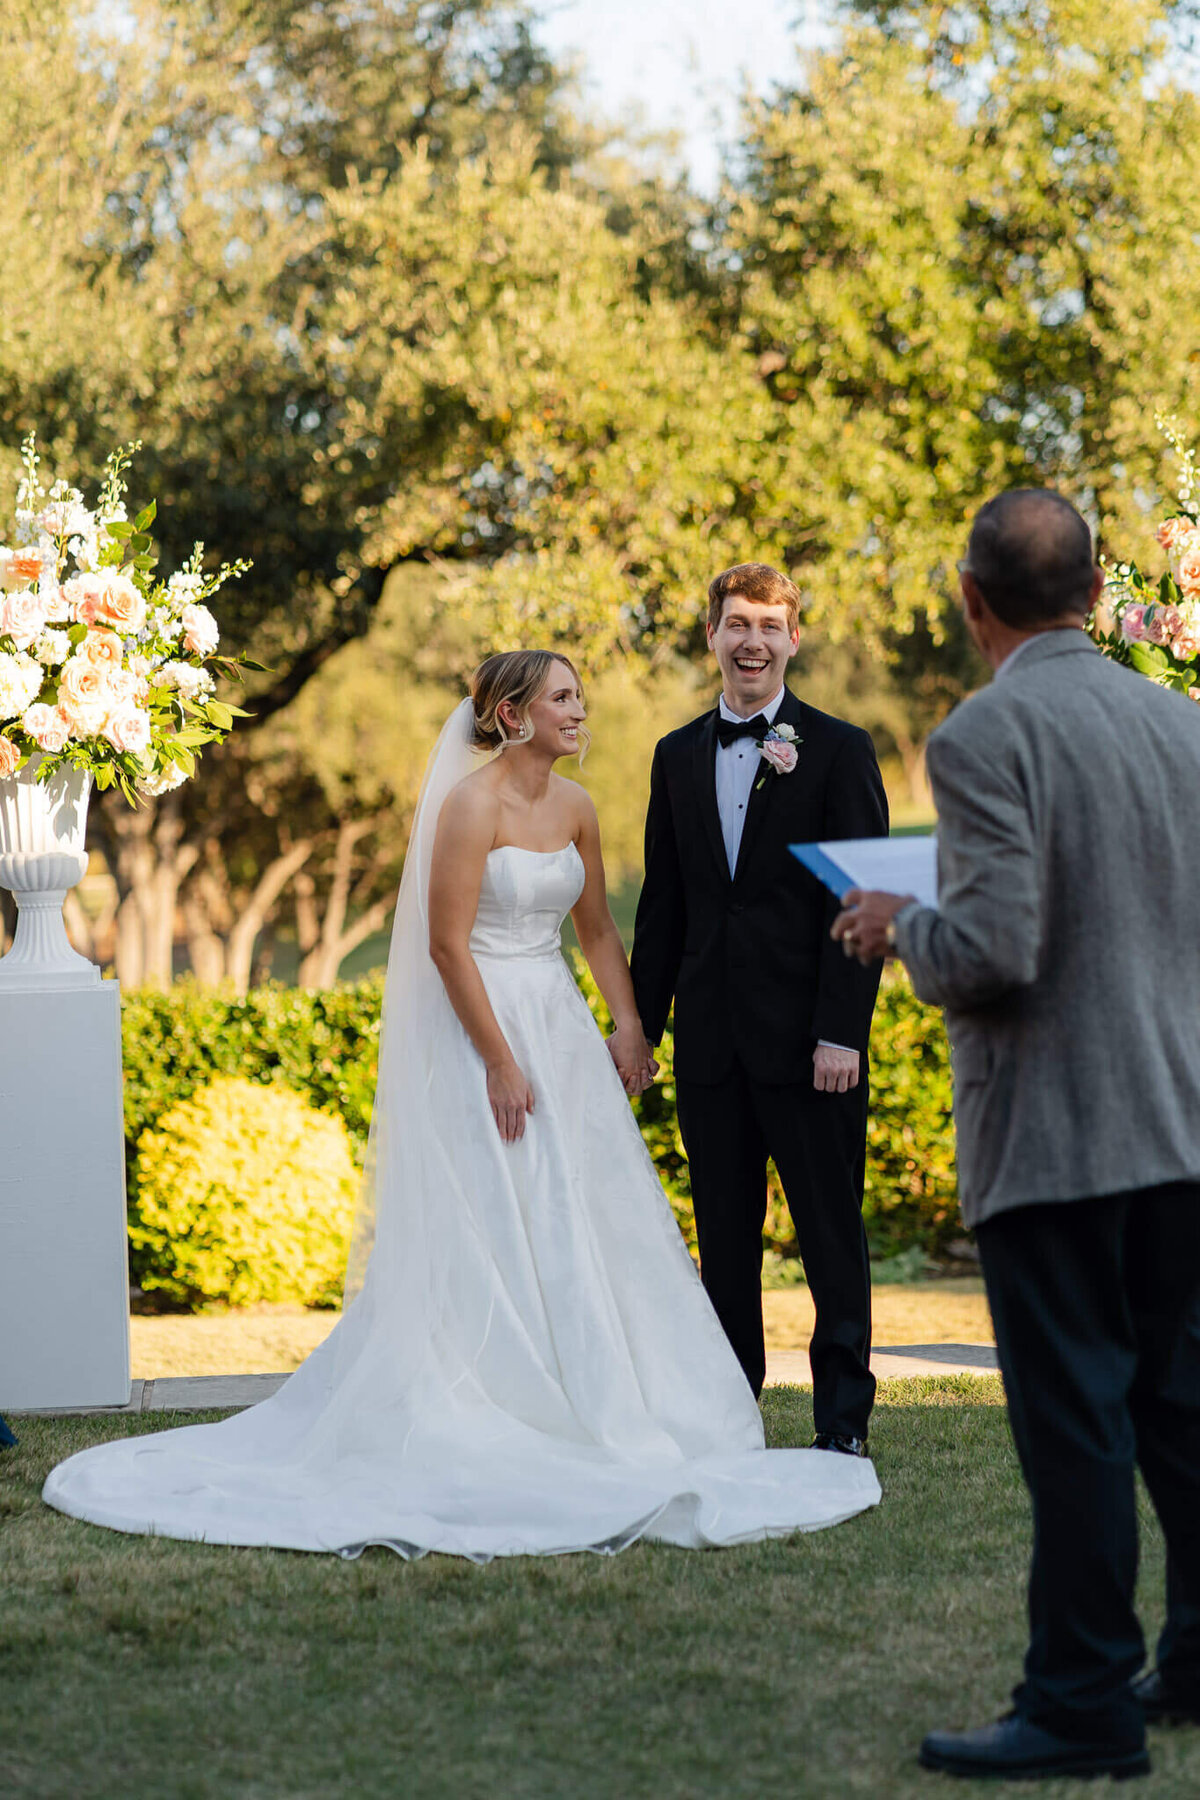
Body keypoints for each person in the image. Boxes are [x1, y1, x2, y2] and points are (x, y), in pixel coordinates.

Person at [43, 650, 881, 1557]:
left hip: (557, 1025)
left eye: (578, 696)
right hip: (486, 1026)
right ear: (513, 715)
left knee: (582, 1211)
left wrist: (631, 1026)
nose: (580, 710)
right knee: (498, 1210)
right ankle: (500, 1395)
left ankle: (611, 1394)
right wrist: (499, 1063)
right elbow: (447, 947)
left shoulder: (578, 807)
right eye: (562, 698)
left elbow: (598, 929)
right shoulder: (469, 807)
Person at [835, 490, 1200, 1782]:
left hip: (1058, 1135)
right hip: (1183, 1127)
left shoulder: (985, 734)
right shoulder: (1184, 725)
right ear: (1098, 594)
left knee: (1078, 1425)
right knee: (1179, 1410)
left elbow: (993, 950)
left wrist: (898, 927)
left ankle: (1083, 1702)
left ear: (971, 599)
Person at [631, 564, 888, 1452]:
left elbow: (861, 901)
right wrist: (642, 1029)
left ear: (793, 640)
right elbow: (664, 908)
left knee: (830, 1238)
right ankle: (731, 1415)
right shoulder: (674, 756)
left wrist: (840, 1033)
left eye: (770, 627)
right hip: (711, 1047)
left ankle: (843, 1423)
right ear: (711, 635)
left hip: (813, 1048)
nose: (752, 642)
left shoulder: (841, 750)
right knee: (726, 1245)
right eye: (737, 624)